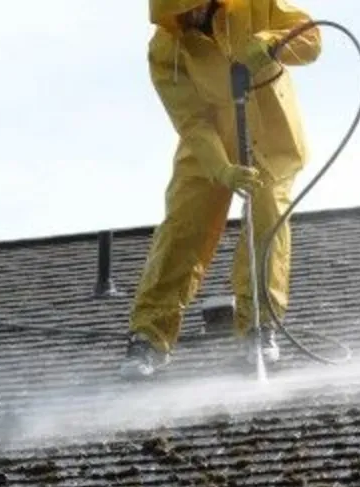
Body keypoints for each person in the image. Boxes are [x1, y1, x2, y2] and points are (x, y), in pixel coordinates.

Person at [122, 0, 322, 379]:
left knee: (267, 223)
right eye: (180, 13)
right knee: (183, 230)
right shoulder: (166, 49)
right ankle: (148, 336)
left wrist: (271, 42)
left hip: (268, 136)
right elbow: (193, 121)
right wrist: (222, 169)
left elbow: (312, 39)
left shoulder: (257, 4)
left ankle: (259, 327)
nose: (189, 18)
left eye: (193, 7)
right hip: (207, 148)